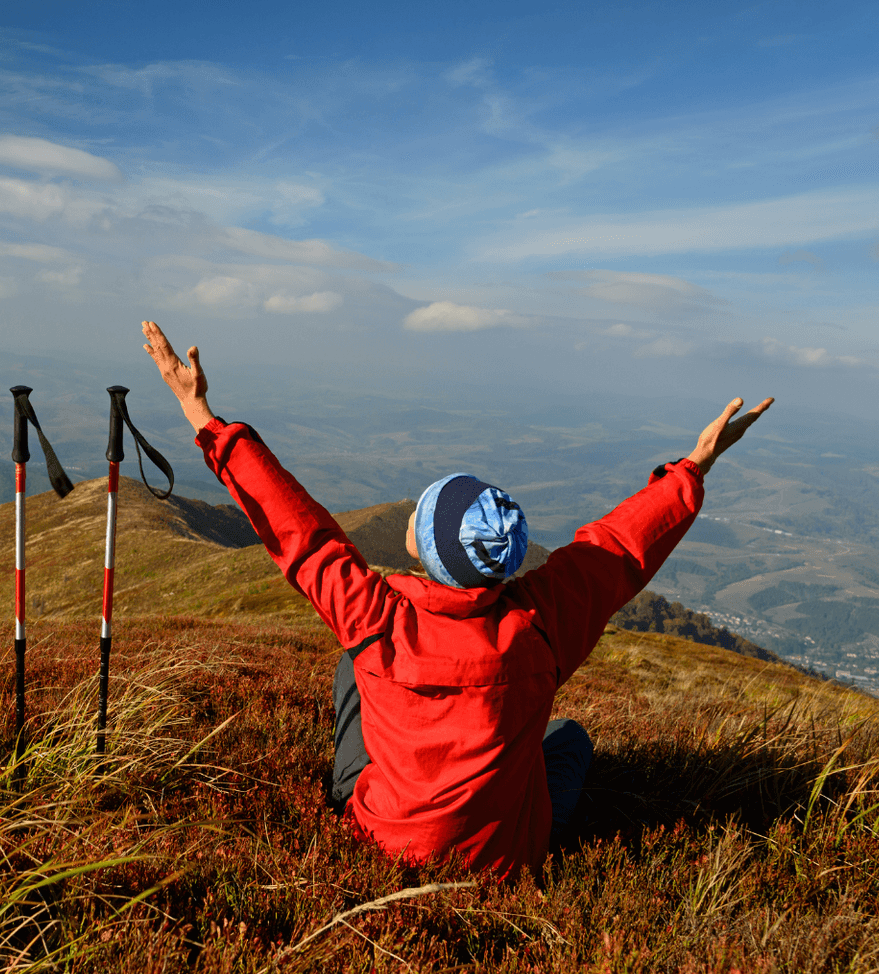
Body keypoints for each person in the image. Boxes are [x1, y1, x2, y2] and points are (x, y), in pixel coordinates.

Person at [140, 320, 773, 880]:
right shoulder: (540, 625)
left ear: (422, 550)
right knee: (569, 740)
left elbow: (300, 533)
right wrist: (692, 468)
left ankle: (348, 801)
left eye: (419, 516)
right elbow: (616, 552)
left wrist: (203, 418)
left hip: (382, 838)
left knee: (352, 667)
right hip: (505, 859)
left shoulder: (376, 619)